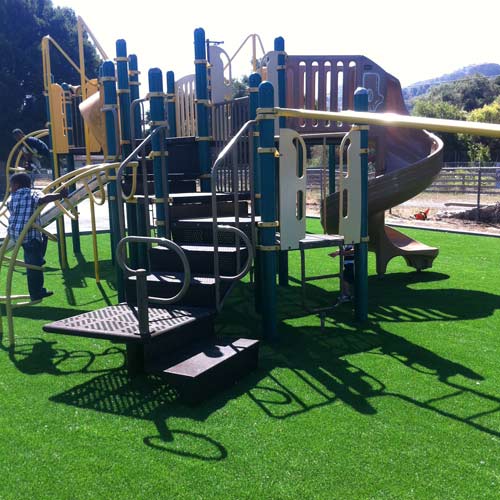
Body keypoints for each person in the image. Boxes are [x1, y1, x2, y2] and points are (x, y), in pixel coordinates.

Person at [7, 173, 68, 301]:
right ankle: (36, 292)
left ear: (17, 185)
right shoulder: (32, 193)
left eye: (11, 185)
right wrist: (60, 195)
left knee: (35, 255)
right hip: (30, 235)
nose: (10, 188)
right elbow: (43, 199)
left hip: (16, 235)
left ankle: (39, 261)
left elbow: (10, 208)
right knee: (35, 266)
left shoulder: (12, 197)